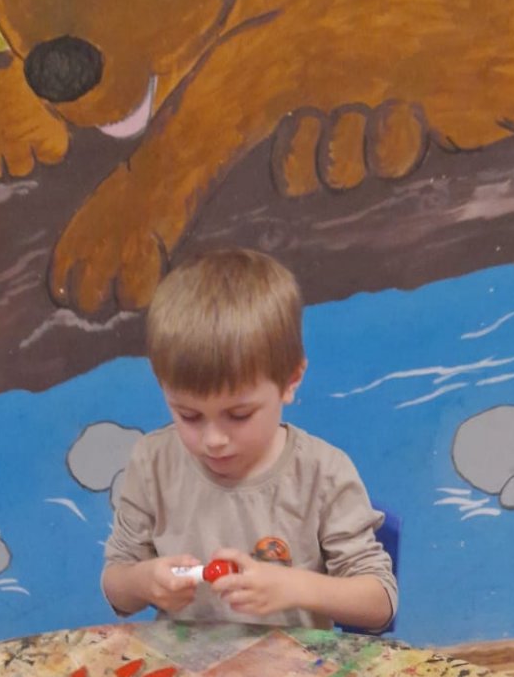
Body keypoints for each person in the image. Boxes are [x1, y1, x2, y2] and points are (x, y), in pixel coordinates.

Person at [102, 250, 396, 632]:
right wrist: (143, 582)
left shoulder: (322, 474)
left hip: (296, 666)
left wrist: (295, 587)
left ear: (291, 380)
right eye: (189, 415)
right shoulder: (152, 462)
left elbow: (380, 604)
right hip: (185, 666)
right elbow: (117, 588)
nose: (213, 440)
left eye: (239, 415)